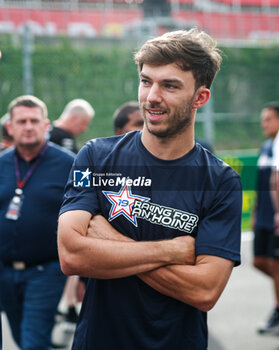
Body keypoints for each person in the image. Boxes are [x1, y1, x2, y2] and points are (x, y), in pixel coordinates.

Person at [57, 29, 242, 350]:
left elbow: (204, 291)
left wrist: (107, 238)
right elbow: (71, 255)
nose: (152, 96)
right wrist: (171, 250)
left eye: (169, 85)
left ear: (200, 97)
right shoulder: (95, 157)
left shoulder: (221, 182)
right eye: (146, 81)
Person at [0, 95, 75, 350]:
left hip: (46, 270)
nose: (28, 126)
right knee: (22, 339)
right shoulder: (2, 164)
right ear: (10, 127)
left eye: (34, 120)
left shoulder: (68, 164)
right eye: (22, 121)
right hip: (5, 270)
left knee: (33, 342)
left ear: (46, 126)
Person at [251, 102, 279, 334]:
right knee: (259, 261)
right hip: (264, 217)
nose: (263, 124)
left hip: (277, 218)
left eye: (268, 119)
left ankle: (278, 311)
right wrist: (255, 211)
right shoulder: (265, 147)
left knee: (277, 266)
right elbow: (262, 183)